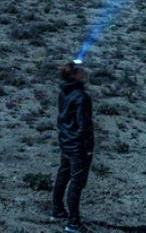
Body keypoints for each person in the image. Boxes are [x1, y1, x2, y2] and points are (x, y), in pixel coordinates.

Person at [52, 61, 94, 232]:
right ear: (75, 75)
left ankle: (57, 209)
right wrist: (88, 147)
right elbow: (83, 126)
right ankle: (73, 223)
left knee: (63, 175)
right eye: (80, 70)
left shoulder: (64, 91)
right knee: (77, 183)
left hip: (66, 141)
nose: (84, 71)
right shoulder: (82, 97)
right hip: (78, 146)